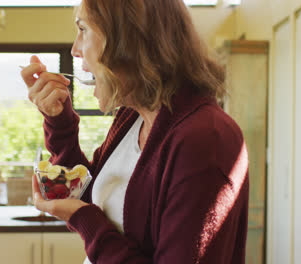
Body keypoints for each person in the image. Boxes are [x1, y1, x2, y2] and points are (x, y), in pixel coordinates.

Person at [20, 0, 249, 263]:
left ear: (128, 40)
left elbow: (91, 216)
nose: (74, 49)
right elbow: (90, 195)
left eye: (83, 30)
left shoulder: (205, 140)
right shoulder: (133, 117)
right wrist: (59, 121)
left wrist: (83, 218)